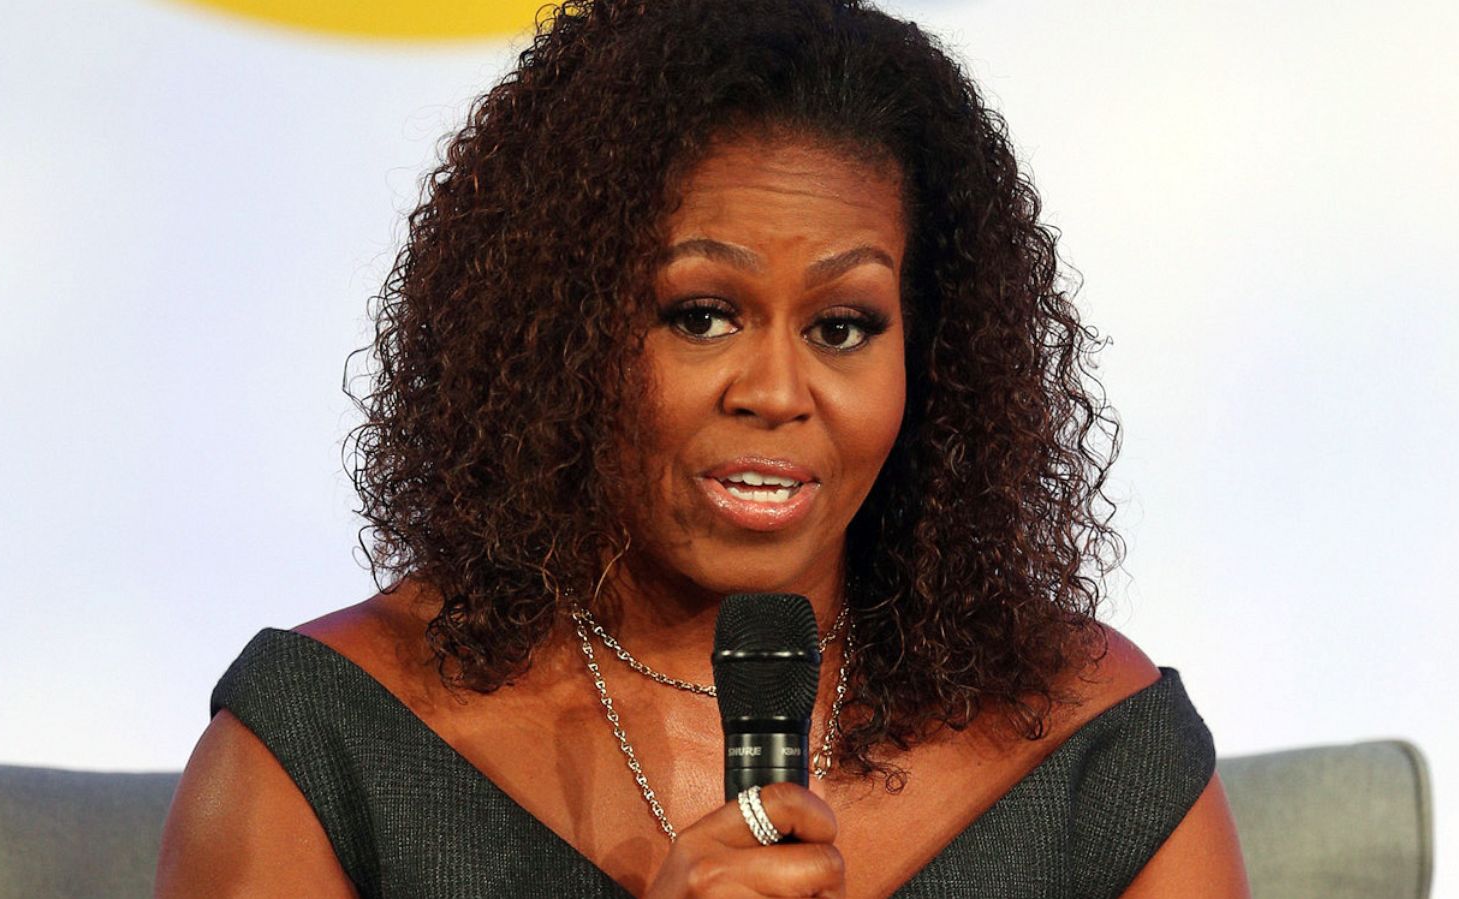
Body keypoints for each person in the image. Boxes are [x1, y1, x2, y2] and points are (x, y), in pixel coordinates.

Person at [155, 0, 1250, 895]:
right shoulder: (328, 747)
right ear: (556, 337)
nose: (776, 391)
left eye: (842, 327)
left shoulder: (1089, 746)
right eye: (700, 315)